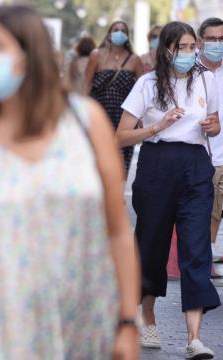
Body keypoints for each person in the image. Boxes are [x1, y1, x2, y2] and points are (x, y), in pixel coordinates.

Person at [0, 5, 140, 359]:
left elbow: (117, 229)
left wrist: (127, 321)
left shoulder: (85, 123)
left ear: (30, 54)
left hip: (80, 320)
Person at [116, 21, 221, 358]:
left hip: (195, 166)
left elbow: (215, 123)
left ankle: (194, 338)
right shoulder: (147, 83)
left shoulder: (208, 79)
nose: (190, 54)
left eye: (194, 47)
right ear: (166, 49)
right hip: (157, 163)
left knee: (195, 248)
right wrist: (157, 126)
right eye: (183, 48)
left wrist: (213, 126)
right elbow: (120, 135)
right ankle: (147, 317)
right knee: (152, 243)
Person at [84, 20, 144, 174]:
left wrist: (142, 118)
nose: (119, 33)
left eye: (123, 30)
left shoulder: (134, 59)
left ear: (127, 35)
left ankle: (118, 193)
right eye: (116, 29)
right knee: (98, 157)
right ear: (109, 33)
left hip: (124, 118)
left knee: (121, 159)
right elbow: (87, 84)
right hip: (100, 115)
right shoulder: (97, 55)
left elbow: (142, 89)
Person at [196, 18, 223, 276]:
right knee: (210, 216)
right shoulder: (190, 72)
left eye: (221, 39)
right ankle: (203, 267)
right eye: (212, 39)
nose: (217, 44)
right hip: (206, 157)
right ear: (201, 41)